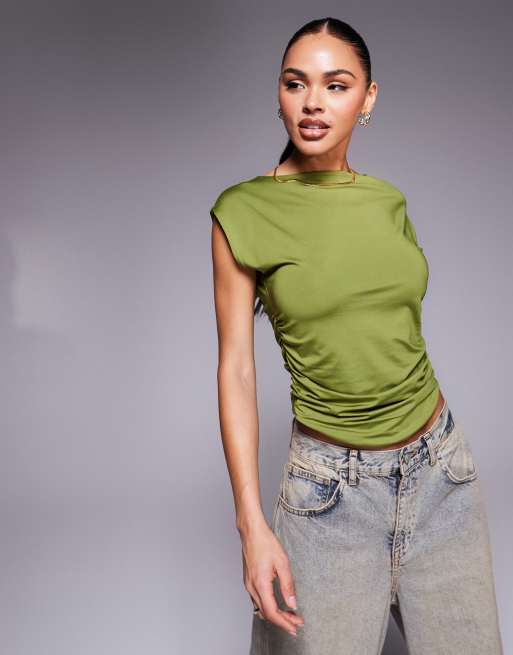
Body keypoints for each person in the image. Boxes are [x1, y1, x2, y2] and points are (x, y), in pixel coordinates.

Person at [209, 16, 503, 655]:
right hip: (329, 497)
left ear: (367, 98)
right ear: (279, 95)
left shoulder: (388, 201)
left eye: (336, 85)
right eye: (296, 84)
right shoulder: (243, 211)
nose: (313, 102)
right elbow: (236, 369)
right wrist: (252, 527)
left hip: (441, 473)